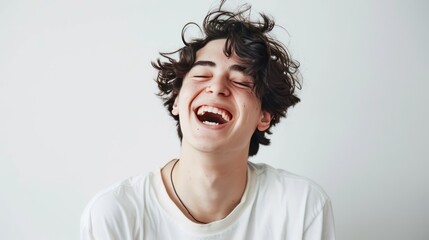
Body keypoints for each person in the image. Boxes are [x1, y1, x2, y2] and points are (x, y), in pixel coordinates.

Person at [80, 2, 336, 239]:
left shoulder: (301, 207)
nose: (217, 87)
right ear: (178, 100)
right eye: (202, 74)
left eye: (240, 81)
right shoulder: (116, 214)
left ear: (264, 116)